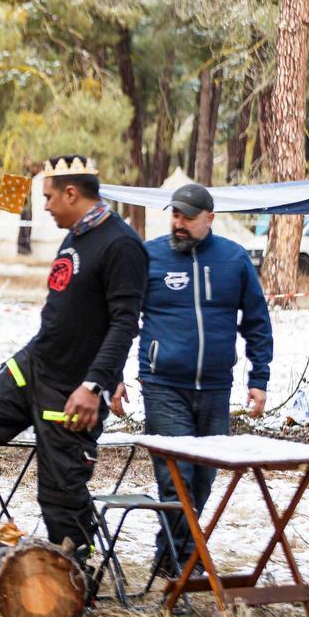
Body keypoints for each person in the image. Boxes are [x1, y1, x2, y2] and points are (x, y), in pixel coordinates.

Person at [0, 155, 147, 567]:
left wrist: (98, 383)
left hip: (73, 387)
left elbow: (124, 322)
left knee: (58, 491)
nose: (46, 206)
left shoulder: (121, 245)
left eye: (50, 197)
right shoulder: (74, 234)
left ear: (72, 193)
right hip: (34, 365)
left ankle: (74, 573)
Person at [111, 182, 272, 572]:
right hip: (163, 384)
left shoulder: (234, 261)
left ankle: (169, 556)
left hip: (216, 388)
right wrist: (112, 374)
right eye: (175, 214)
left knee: (203, 480)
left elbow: (256, 321)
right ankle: (186, 565)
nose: (178, 223)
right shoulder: (149, 257)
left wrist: (259, 378)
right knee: (175, 479)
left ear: (210, 218)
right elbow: (122, 321)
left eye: (187, 216)